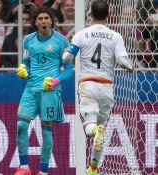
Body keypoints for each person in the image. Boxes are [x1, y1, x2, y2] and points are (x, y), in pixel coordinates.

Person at [62, 1, 135, 175]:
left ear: (90, 14)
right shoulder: (116, 36)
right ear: (109, 15)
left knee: (90, 129)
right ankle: (94, 167)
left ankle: (95, 130)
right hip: (107, 87)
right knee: (101, 128)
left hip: (88, 84)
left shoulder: (81, 34)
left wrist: (65, 52)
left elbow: (66, 59)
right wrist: (131, 66)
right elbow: (123, 61)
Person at [14, 6, 73, 175]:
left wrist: (56, 81)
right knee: (21, 125)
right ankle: (24, 167)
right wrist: (23, 70)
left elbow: (69, 70)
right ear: (35, 22)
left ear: (51, 20)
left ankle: (43, 171)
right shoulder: (28, 40)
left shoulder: (61, 41)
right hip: (31, 89)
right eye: (40, 19)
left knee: (46, 130)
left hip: (50, 91)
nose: (43, 21)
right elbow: (27, 62)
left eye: (46, 18)